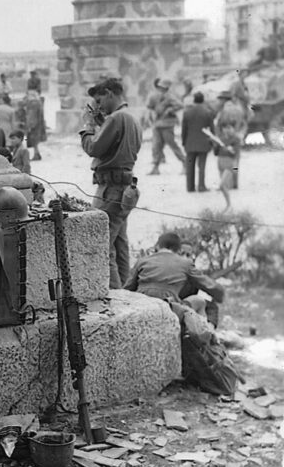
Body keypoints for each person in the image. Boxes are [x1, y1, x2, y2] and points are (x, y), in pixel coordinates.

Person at [80, 78, 142, 289]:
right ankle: (127, 292)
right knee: (119, 244)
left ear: (109, 93)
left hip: (110, 190)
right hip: (125, 188)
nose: (98, 106)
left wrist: (87, 126)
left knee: (101, 243)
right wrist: (102, 123)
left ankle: (115, 296)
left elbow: (94, 148)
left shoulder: (116, 119)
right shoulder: (130, 118)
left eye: (99, 100)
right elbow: (117, 145)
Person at [124, 232, 223, 318]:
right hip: (168, 308)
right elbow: (211, 286)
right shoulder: (185, 264)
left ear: (157, 246)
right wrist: (220, 294)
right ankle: (200, 337)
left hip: (142, 305)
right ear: (178, 250)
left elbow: (127, 288)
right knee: (199, 301)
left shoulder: (142, 261)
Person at [146, 78, 185, 175]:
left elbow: (180, 105)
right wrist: (151, 114)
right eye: (160, 87)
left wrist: (170, 109)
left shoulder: (170, 97)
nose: (161, 89)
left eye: (163, 87)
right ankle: (155, 167)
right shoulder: (154, 96)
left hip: (167, 124)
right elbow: (149, 107)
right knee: (156, 146)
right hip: (157, 124)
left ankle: (185, 163)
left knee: (172, 144)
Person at [180, 92, 215, 193]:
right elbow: (212, 129)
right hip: (204, 143)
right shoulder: (208, 112)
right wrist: (212, 142)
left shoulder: (187, 112)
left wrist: (183, 142)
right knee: (202, 166)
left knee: (190, 166)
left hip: (190, 143)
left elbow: (184, 130)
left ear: (194, 100)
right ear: (203, 100)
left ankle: (190, 187)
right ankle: (201, 186)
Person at [206, 120, 242, 212]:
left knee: (222, 185)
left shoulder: (236, 139)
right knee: (225, 187)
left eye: (229, 128)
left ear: (233, 129)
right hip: (220, 163)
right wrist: (213, 144)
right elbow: (216, 153)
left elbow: (237, 155)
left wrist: (235, 168)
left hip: (229, 164)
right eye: (225, 128)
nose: (227, 130)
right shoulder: (220, 138)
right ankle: (228, 206)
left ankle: (229, 205)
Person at [24, 90, 46, 160]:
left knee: (34, 141)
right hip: (39, 124)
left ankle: (36, 154)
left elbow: (31, 115)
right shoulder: (38, 102)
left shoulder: (32, 103)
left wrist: (30, 125)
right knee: (36, 141)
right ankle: (37, 153)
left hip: (34, 125)